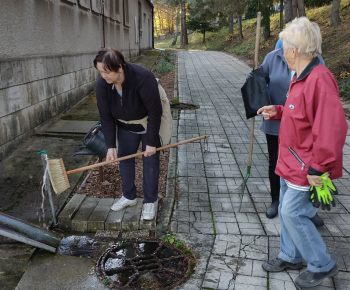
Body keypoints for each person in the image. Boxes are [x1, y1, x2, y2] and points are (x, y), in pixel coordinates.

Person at [258, 17, 347, 288]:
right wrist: (280, 111)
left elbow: (333, 127)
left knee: (291, 213)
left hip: (305, 167)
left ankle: (321, 264)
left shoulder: (319, 79)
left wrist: (319, 169)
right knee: (287, 210)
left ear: (294, 51)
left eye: (283, 47)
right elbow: (302, 115)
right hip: (289, 162)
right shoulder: (300, 76)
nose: (281, 51)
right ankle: (290, 255)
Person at [252, 36, 325, 224]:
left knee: (306, 165)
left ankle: (308, 208)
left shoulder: (314, 61)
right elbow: (259, 81)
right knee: (276, 163)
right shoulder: (272, 57)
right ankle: (276, 200)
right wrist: (255, 86)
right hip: (275, 122)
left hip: (303, 126)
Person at [93, 48, 163, 220]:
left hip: (147, 123)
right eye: (100, 71)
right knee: (124, 158)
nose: (103, 76)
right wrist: (110, 146)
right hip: (125, 127)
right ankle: (129, 196)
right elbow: (106, 117)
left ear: (119, 68)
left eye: (106, 72)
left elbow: (155, 112)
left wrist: (151, 142)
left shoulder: (143, 78)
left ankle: (150, 201)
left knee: (150, 161)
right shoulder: (103, 84)